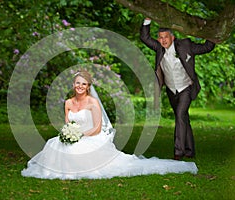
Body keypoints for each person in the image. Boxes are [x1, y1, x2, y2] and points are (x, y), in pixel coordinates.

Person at [21, 70, 198, 179]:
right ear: (73, 85)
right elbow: (67, 124)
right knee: (54, 145)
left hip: (91, 136)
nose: (80, 86)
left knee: (78, 150)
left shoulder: (92, 103)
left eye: (83, 84)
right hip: (74, 136)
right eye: (77, 83)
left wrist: (79, 136)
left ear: (88, 86)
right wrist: (68, 134)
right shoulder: (68, 103)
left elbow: (97, 127)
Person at [140, 18, 215, 160]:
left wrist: (210, 32)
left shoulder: (185, 45)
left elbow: (206, 47)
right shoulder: (158, 48)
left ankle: (178, 152)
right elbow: (144, 37)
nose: (163, 40)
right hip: (171, 90)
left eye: (166, 37)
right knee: (183, 118)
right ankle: (190, 150)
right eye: (160, 38)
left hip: (186, 87)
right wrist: (147, 20)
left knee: (180, 115)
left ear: (172, 37)